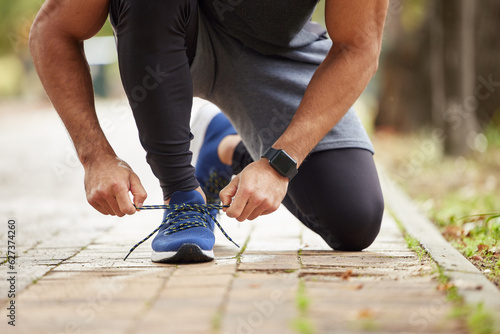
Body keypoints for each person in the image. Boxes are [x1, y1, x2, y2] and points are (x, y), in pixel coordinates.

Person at [30, 0, 388, 263]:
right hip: (169, 38)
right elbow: (54, 29)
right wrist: (96, 157)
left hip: (278, 51)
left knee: (354, 220)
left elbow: (358, 47)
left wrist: (280, 163)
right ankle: (182, 196)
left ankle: (223, 146)